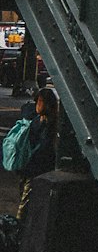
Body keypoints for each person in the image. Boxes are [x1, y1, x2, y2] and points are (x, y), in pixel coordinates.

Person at [15, 84, 59, 223]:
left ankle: (19, 227)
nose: (37, 105)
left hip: (31, 167)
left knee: (25, 200)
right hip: (39, 167)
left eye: (39, 102)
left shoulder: (37, 121)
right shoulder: (51, 122)